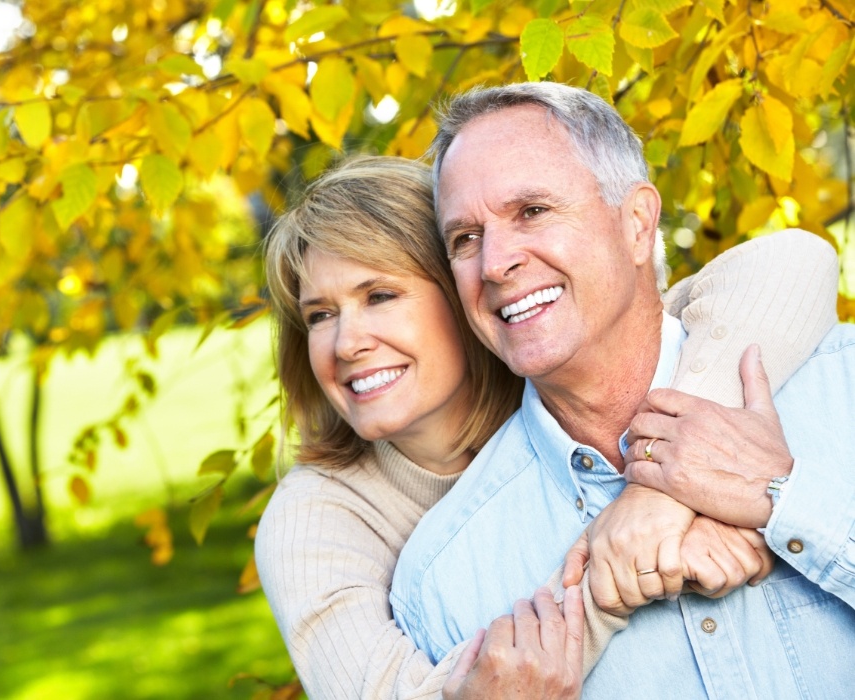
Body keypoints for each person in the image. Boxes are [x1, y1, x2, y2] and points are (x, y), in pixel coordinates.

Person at [256, 154, 838, 698]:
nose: (347, 342)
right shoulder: (315, 519)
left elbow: (788, 264)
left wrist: (663, 487)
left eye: (379, 295)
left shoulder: (558, 374)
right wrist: (626, 576)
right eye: (320, 316)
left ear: (467, 293)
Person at [389, 82, 853, 698]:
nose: (495, 263)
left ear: (637, 223)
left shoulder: (840, 385)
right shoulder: (443, 579)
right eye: (465, 239)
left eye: (532, 210)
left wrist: (787, 505)